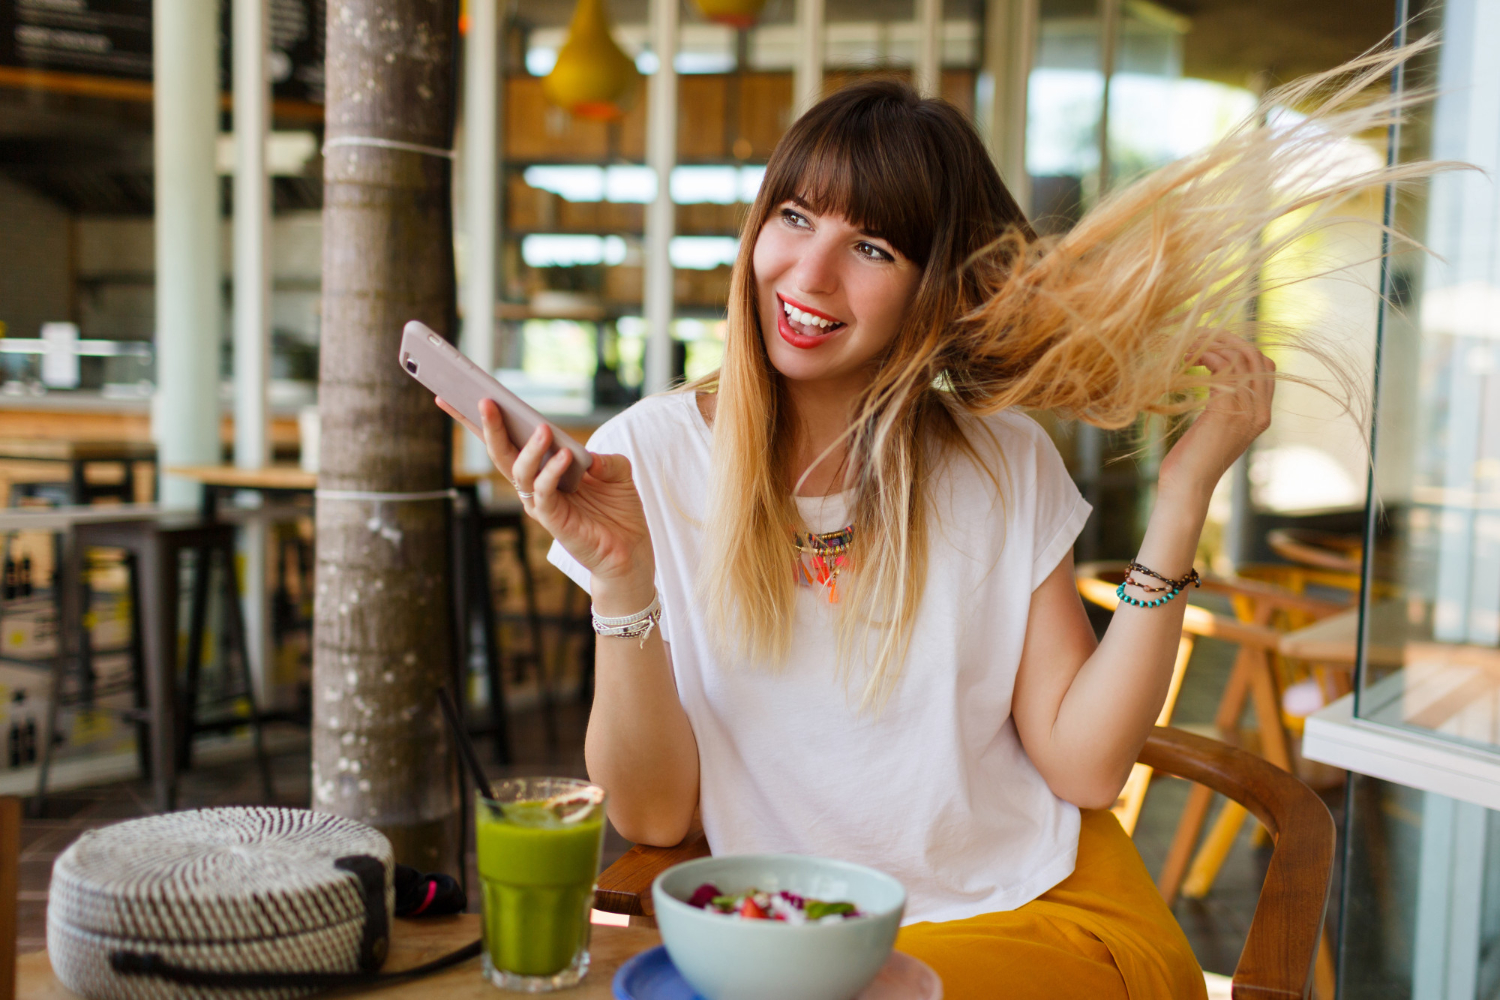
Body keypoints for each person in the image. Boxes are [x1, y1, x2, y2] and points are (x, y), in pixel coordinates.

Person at [441, 62, 1405, 997]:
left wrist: (1185, 493)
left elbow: (1085, 765)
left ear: (931, 287)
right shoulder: (646, 457)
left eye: (873, 249)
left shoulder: (1004, 461)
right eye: (794, 215)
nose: (808, 272)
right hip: (792, 936)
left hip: (1036, 912)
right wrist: (624, 585)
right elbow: (654, 814)